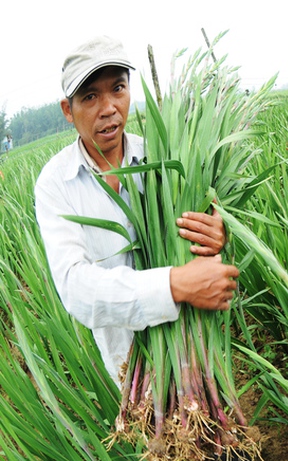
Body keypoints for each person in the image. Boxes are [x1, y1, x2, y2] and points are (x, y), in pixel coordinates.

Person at [34, 36, 240, 384]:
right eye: (89, 96)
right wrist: (173, 285)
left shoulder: (165, 157)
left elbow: (210, 245)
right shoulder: (56, 184)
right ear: (68, 110)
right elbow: (75, 287)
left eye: (118, 88)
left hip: (200, 352)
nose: (109, 107)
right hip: (131, 371)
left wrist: (218, 233)